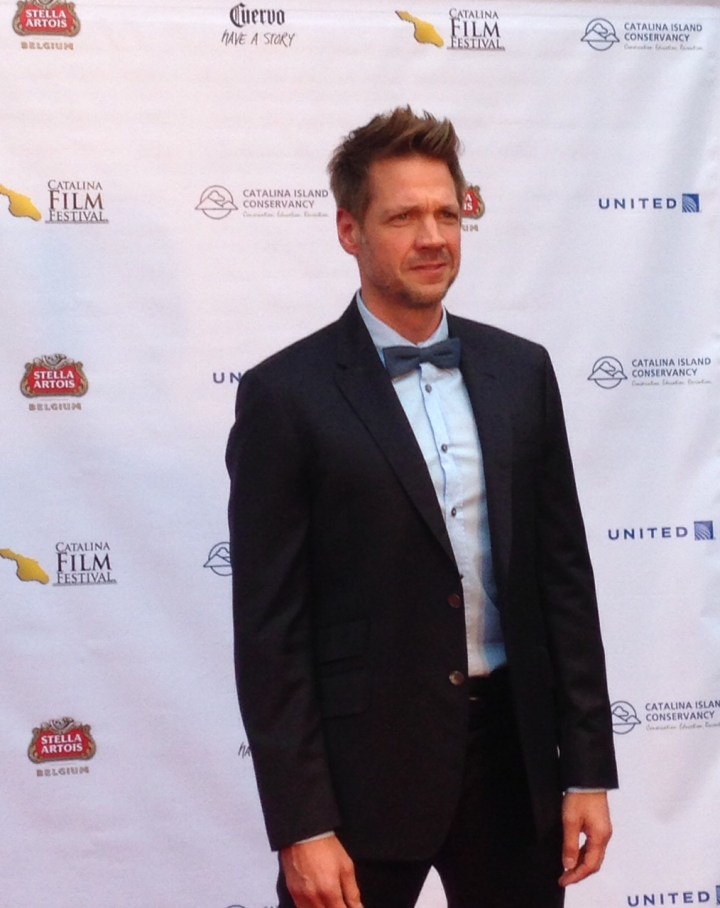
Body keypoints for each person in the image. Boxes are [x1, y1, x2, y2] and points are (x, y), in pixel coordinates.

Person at [226, 106, 618, 908]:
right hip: (360, 779)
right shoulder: (285, 396)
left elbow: (564, 584)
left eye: (447, 213)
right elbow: (271, 634)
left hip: (514, 766)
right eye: (403, 217)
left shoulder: (521, 371)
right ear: (350, 230)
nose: (432, 237)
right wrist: (302, 823)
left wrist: (585, 770)